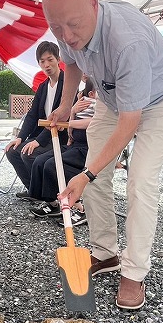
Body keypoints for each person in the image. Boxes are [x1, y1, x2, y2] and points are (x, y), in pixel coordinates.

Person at [43, 0, 163, 311]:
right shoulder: (67, 24)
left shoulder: (128, 41)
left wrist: (88, 174)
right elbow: (71, 62)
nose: (67, 35)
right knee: (93, 171)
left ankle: (134, 271)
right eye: (57, 28)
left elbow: (129, 124)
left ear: (93, 4)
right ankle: (105, 253)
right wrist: (65, 105)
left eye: (73, 25)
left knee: (139, 179)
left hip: (161, 100)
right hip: (113, 97)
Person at [28, 79, 97, 224]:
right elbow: (73, 125)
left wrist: (67, 123)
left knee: (53, 165)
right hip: (74, 144)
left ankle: (80, 207)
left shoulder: (101, 105)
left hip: (89, 149)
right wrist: (72, 111)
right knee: (40, 161)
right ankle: (52, 202)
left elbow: (95, 121)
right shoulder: (83, 102)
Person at [4, 41, 65, 198]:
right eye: (42, 61)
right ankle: (33, 190)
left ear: (58, 59)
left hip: (59, 136)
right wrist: (20, 137)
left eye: (50, 59)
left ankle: (46, 194)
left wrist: (38, 141)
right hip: (43, 135)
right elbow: (32, 115)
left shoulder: (67, 84)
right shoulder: (43, 86)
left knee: (28, 153)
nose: (46, 65)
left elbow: (60, 119)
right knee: (12, 151)